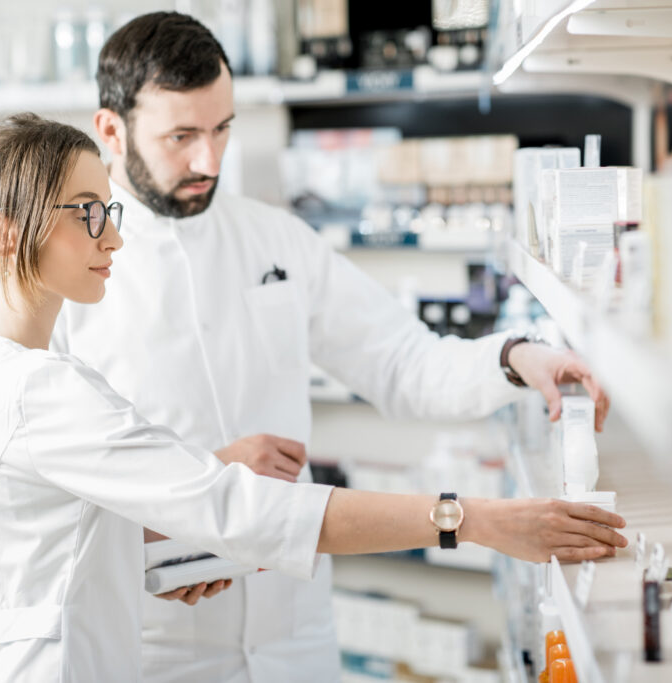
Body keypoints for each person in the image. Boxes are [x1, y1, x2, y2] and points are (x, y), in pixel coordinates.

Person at [0, 113, 626, 682]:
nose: (112, 239)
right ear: (1, 234)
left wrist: (162, 547)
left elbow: (16, 560)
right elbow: (238, 510)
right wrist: (473, 519)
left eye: (108, 211)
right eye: (88, 213)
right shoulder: (38, 388)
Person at [52, 11, 615, 683]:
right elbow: (52, 496)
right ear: (111, 130)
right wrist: (190, 504)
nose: (210, 160)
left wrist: (516, 358)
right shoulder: (67, 277)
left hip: (294, 633)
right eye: (182, 136)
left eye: (222, 128)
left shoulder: (275, 238)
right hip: (159, 645)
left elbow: (404, 361)